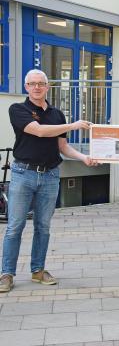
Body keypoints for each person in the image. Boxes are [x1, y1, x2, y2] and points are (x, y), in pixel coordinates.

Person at [0, 69, 95, 293]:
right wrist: (73, 125)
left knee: (43, 227)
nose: (36, 87)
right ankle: (6, 274)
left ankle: (38, 270)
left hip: (51, 175)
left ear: (47, 86)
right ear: (26, 87)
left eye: (40, 83)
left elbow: (62, 147)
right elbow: (39, 131)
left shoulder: (57, 114)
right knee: (15, 226)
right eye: (31, 83)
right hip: (24, 173)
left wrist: (84, 157)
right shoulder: (18, 109)